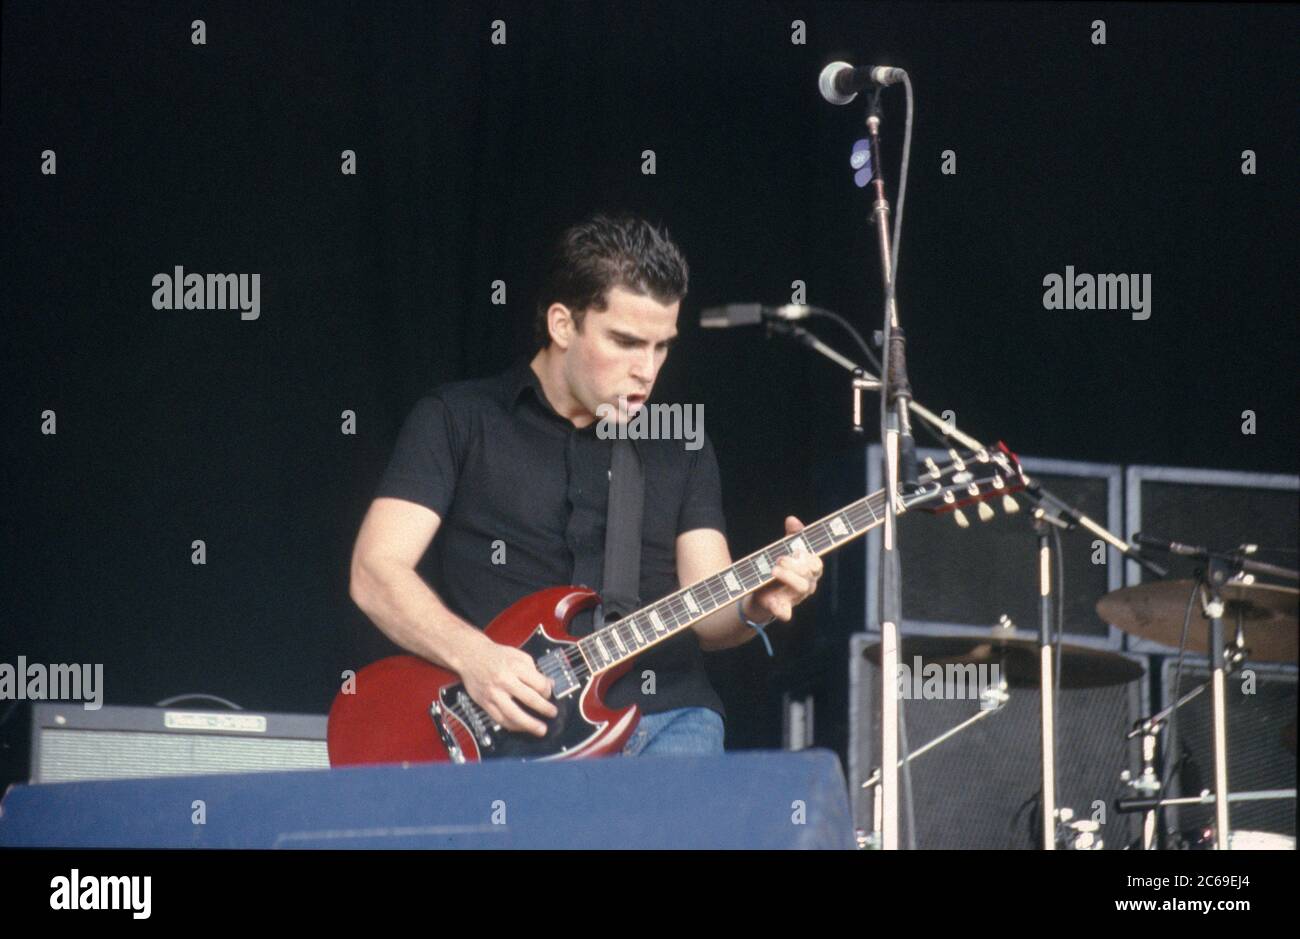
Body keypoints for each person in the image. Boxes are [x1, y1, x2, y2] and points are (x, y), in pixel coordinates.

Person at [348, 213, 822, 757]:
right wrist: (474, 658)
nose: (647, 370)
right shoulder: (458, 420)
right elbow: (375, 571)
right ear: (562, 325)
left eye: (661, 346)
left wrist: (757, 603)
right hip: (507, 726)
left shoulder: (681, 444)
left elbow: (712, 615)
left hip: (665, 716)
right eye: (625, 342)